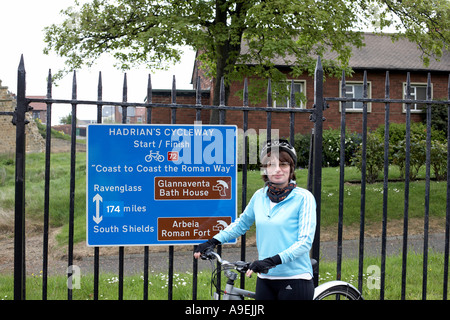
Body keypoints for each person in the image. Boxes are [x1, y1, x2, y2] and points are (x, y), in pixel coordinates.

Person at [194, 139, 317, 300]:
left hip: (295, 278)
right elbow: (242, 223)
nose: (277, 170)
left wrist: (270, 261)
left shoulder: (303, 198)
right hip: (265, 279)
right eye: (271, 165)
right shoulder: (259, 196)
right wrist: (213, 241)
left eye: (283, 164)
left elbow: (305, 242)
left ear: (291, 168)